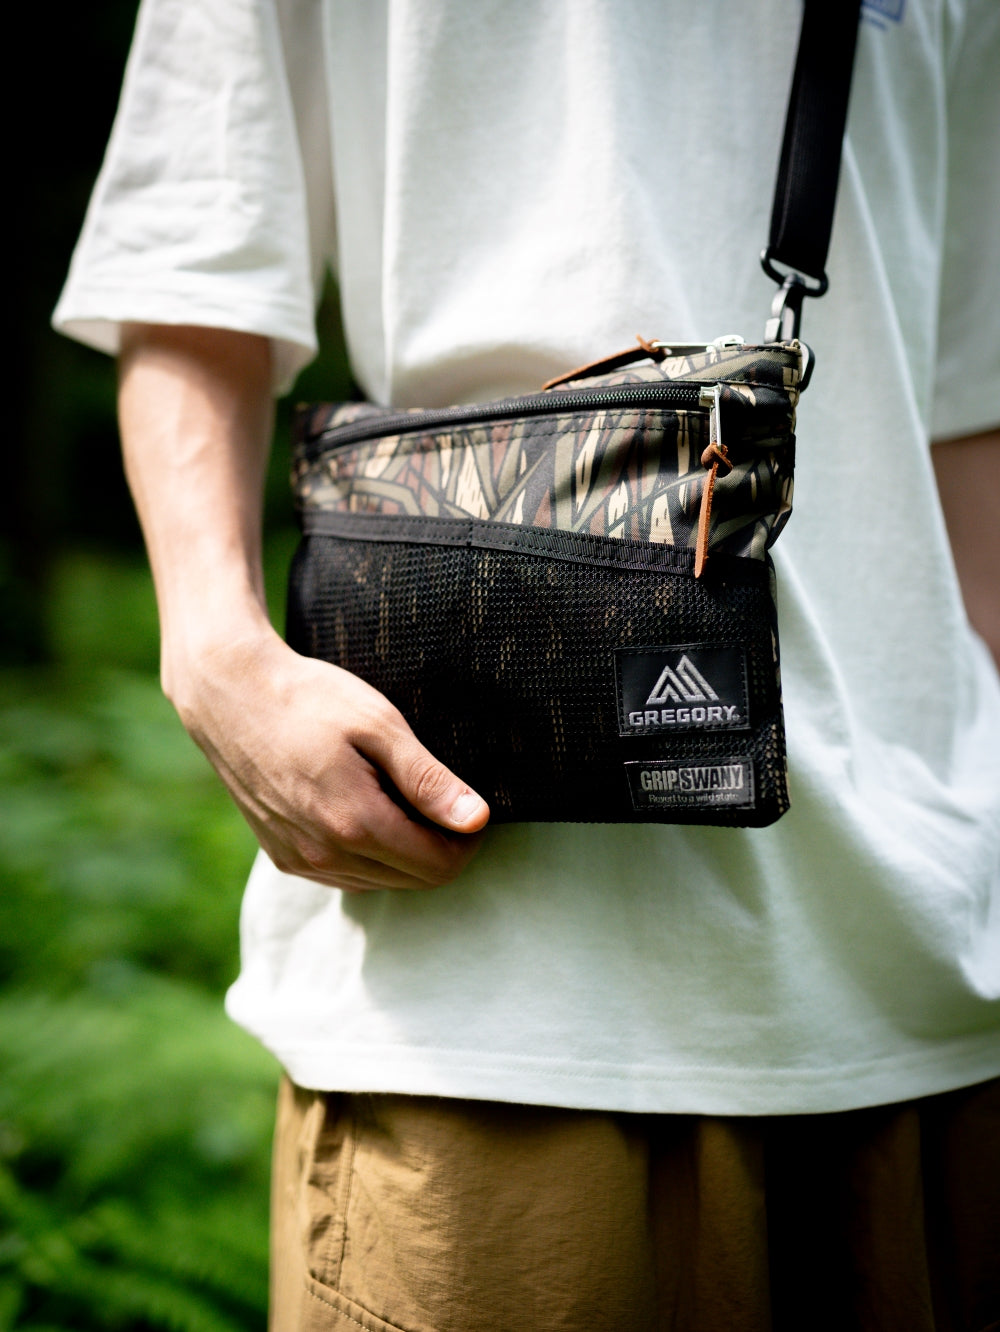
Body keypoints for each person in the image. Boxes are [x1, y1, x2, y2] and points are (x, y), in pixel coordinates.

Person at [55, 1, 1000, 1328]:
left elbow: (962, 404)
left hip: (928, 973)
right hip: (480, 1007)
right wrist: (215, 659)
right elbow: (189, 266)